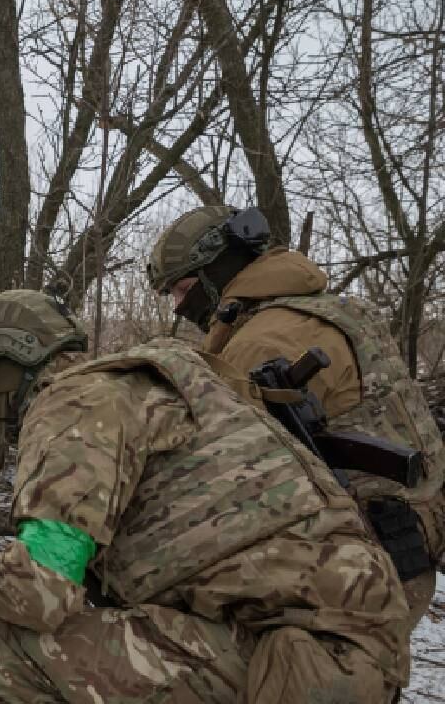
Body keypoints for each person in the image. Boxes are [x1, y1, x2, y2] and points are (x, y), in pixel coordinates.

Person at [0, 289, 409, 703]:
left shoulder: (73, 402)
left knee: (5, 647)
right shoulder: (162, 379)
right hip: (353, 645)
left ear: (5, 366)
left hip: (298, 657)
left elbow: (40, 586)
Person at [147, 205, 443, 634]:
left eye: (182, 289)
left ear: (219, 271)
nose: (178, 307)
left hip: (357, 578)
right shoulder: (334, 308)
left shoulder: (264, 340)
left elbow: (218, 482)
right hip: (408, 540)